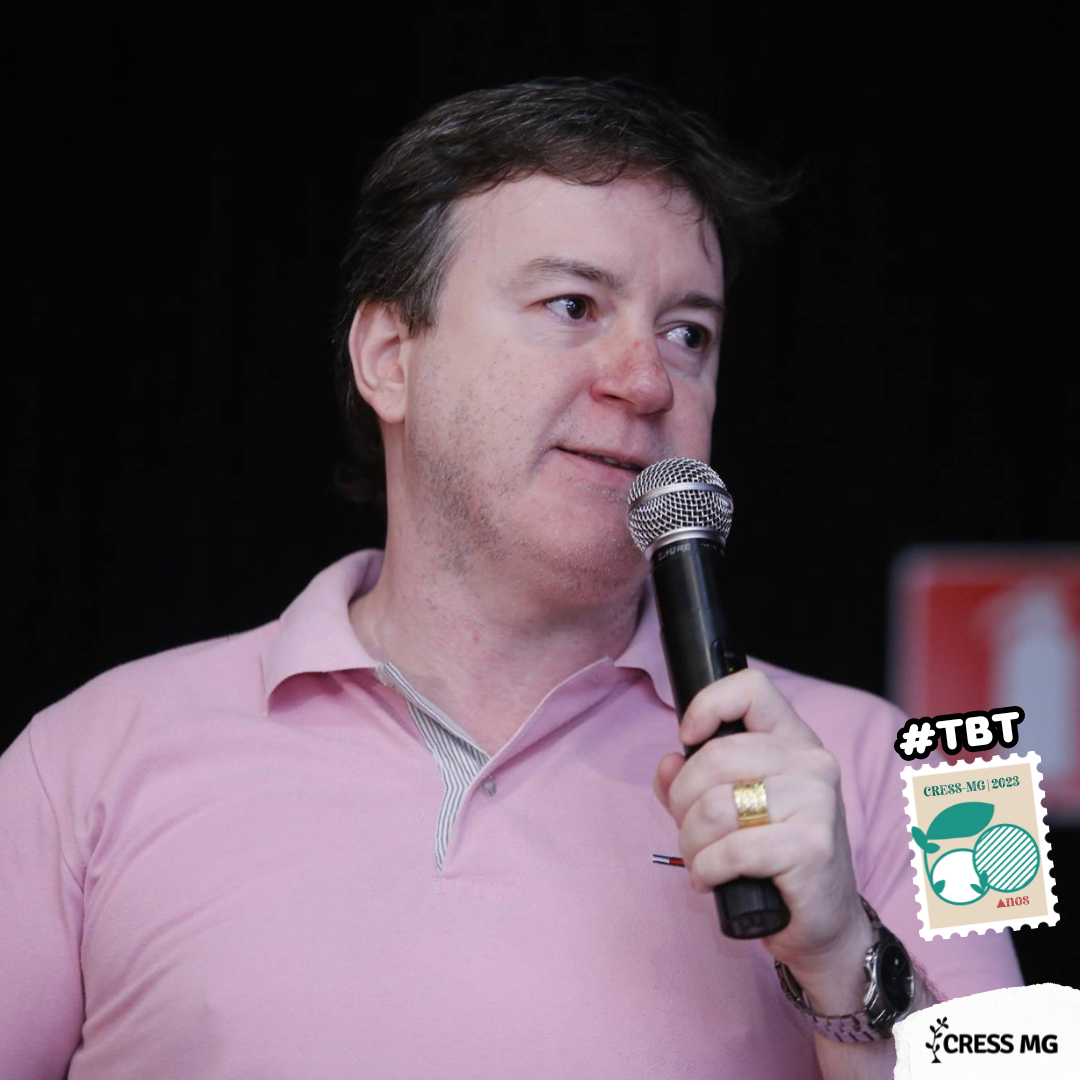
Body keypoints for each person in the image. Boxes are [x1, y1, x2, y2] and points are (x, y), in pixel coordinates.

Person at [0, 76, 1022, 1079]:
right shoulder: (77, 756)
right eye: (572, 305)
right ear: (389, 356)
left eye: (688, 334)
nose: (647, 381)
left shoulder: (938, 768)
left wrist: (845, 953)